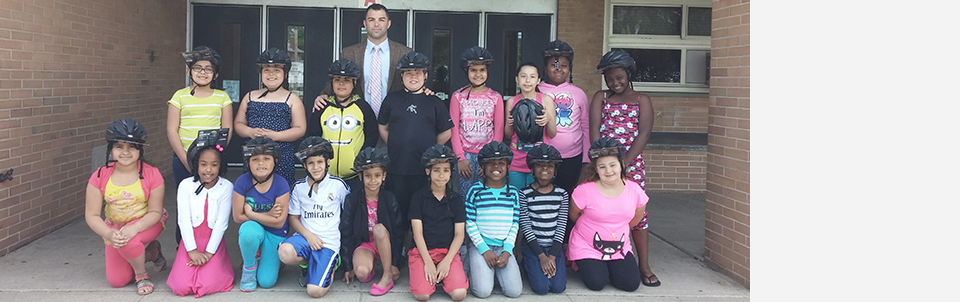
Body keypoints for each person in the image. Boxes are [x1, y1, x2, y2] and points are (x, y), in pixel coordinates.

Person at [589, 50, 660, 287]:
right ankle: (600, 259)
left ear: (629, 74)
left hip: (631, 165)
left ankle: (644, 265)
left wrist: (624, 164)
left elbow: (644, 133)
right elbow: (595, 131)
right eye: (609, 79)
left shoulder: (642, 99)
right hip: (602, 165)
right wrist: (603, 162)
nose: (614, 83)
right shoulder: (601, 97)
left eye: (619, 77)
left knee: (638, 215)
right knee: (601, 210)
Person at [84, 119, 168, 295]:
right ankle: (152, 253)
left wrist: (135, 228)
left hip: (147, 223)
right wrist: (108, 234)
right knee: (117, 281)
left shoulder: (152, 174)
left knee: (130, 241)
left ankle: (142, 275)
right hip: (115, 228)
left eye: (132, 147)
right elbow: (91, 215)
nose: (125, 152)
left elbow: (155, 211)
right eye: (119, 146)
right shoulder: (99, 176)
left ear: (140, 149)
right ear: (111, 149)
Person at [378, 51, 454, 234]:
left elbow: (447, 132)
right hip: (397, 168)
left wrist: (430, 147)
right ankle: (399, 249)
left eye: (418, 73)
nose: (413, 77)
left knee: (423, 211)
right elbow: (382, 127)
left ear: (426, 75)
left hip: (424, 169)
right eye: (409, 73)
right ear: (402, 75)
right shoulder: (392, 99)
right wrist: (396, 143)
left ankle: (419, 247)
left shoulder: (434, 102)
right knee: (397, 212)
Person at [166, 46, 233, 245]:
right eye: (197, 68)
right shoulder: (179, 96)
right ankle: (184, 246)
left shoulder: (222, 97)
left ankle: (209, 245)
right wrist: (186, 160)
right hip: (183, 157)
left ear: (216, 74)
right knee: (186, 204)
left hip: (211, 160)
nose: (202, 72)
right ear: (189, 71)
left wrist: (214, 158)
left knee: (211, 204)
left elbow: (226, 129)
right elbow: (172, 130)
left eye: (208, 69)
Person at [568, 138, 646, 292]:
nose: (608, 171)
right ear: (596, 169)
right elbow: (574, 215)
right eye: (602, 167)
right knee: (596, 283)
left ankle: (609, 265)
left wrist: (616, 228)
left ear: (621, 165)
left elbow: (636, 219)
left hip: (620, 246)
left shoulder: (634, 190)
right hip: (587, 245)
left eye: (612, 165)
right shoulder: (584, 190)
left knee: (630, 284)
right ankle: (583, 262)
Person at [313, 3, 413, 118]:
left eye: (381, 19)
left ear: (388, 23)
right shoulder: (349, 53)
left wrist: (425, 91)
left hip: (394, 119)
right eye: (371, 20)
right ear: (365, 24)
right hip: (357, 119)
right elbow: (338, 79)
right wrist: (324, 95)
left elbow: (413, 80)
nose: (376, 24)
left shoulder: (404, 52)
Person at [167, 129, 235, 297]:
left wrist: (210, 252)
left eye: (214, 164)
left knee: (208, 284)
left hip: (213, 243)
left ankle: (218, 265)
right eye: (203, 164)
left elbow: (221, 223)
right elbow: (183, 220)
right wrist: (191, 250)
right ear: (196, 164)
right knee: (181, 287)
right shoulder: (186, 185)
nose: (208, 170)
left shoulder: (226, 187)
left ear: (221, 165)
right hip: (190, 243)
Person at [278, 137, 349, 298]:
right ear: (304, 165)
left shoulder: (338, 185)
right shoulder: (299, 187)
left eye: (319, 162)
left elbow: (347, 217)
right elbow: (293, 218)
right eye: (311, 163)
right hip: (305, 238)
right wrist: (309, 236)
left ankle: (333, 263)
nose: (316, 167)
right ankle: (307, 264)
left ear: (327, 162)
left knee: (314, 292)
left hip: (328, 242)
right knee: (285, 252)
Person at [234, 47, 307, 184]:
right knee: (253, 188)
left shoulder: (292, 98)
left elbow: (300, 128)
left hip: (281, 154)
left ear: (285, 74)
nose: (271, 74)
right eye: (266, 70)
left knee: (280, 190)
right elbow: (238, 124)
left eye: (277, 70)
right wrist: (249, 131)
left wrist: (276, 136)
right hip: (254, 155)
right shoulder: (250, 96)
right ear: (260, 73)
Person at [407, 145, 469, 301]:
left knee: (459, 294)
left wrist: (447, 261)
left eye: (446, 170)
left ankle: (443, 274)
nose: (441, 175)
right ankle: (429, 274)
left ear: (450, 173)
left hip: (447, 252)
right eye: (436, 170)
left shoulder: (456, 199)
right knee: (422, 295)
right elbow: (417, 233)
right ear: (428, 171)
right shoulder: (418, 197)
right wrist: (428, 262)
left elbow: (459, 235)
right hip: (423, 252)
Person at [462, 141, 523, 298]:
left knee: (514, 292)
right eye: (491, 163)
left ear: (508, 166)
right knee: (482, 292)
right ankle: (474, 266)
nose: (496, 167)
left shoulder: (513, 193)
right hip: (481, 247)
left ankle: (493, 272)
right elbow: (470, 222)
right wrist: (484, 250)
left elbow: (514, 225)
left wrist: (508, 251)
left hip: (503, 247)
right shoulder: (475, 191)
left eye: (501, 163)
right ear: (482, 167)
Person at [340, 147, 403, 295]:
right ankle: (370, 264)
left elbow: (399, 231)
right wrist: (348, 266)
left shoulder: (389, 198)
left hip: (384, 242)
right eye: (368, 176)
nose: (373, 180)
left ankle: (387, 275)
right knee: (361, 273)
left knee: (379, 229)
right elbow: (346, 231)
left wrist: (395, 263)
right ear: (361, 177)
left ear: (384, 176)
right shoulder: (353, 199)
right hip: (365, 244)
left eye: (377, 175)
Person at [310, 59, 379, 191]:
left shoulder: (363, 107)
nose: (341, 84)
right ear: (331, 83)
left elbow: (372, 136)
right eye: (337, 80)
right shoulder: (322, 107)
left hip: (354, 176)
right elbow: (313, 136)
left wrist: (361, 162)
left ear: (354, 83)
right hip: (326, 176)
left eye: (346, 80)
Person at [232, 137, 290, 292]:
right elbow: (238, 217)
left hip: (275, 233)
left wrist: (251, 213)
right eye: (255, 159)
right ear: (247, 163)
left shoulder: (281, 183)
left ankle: (267, 257)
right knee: (248, 231)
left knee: (266, 282)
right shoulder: (242, 182)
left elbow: (279, 222)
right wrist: (268, 214)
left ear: (275, 161)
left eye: (266, 158)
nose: (261, 163)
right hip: (255, 229)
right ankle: (249, 267)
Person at [450, 46, 504, 195]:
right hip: (465, 155)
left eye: (482, 70)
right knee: (464, 196)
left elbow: (498, 130)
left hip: (486, 155)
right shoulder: (457, 97)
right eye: (473, 70)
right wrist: (460, 158)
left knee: (484, 196)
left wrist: (491, 159)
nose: (478, 74)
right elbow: (453, 129)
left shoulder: (495, 97)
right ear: (466, 71)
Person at [537, 40, 590, 194]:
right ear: (545, 68)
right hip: (542, 156)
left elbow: (585, 126)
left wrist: (586, 158)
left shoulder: (579, 93)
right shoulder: (536, 90)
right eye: (554, 65)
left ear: (570, 69)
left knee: (568, 195)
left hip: (572, 157)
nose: (559, 69)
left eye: (564, 65)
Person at [518, 143, 568, 295]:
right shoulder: (523, 194)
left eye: (549, 166)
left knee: (558, 287)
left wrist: (551, 256)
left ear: (555, 170)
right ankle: (528, 265)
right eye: (539, 165)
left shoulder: (562, 194)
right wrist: (541, 256)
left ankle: (542, 265)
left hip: (554, 248)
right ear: (532, 169)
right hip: (533, 247)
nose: (545, 169)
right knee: (541, 288)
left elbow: (561, 226)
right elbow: (526, 226)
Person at [504, 62, 557, 189]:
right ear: (517, 79)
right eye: (523, 76)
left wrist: (548, 119)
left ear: (538, 80)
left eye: (532, 77)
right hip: (517, 159)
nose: (528, 80)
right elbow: (508, 135)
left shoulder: (546, 100)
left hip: (540, 160)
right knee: (517, 196)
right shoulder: (512, 101)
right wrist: (510, 123)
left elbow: (552, 134)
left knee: (536, 198)